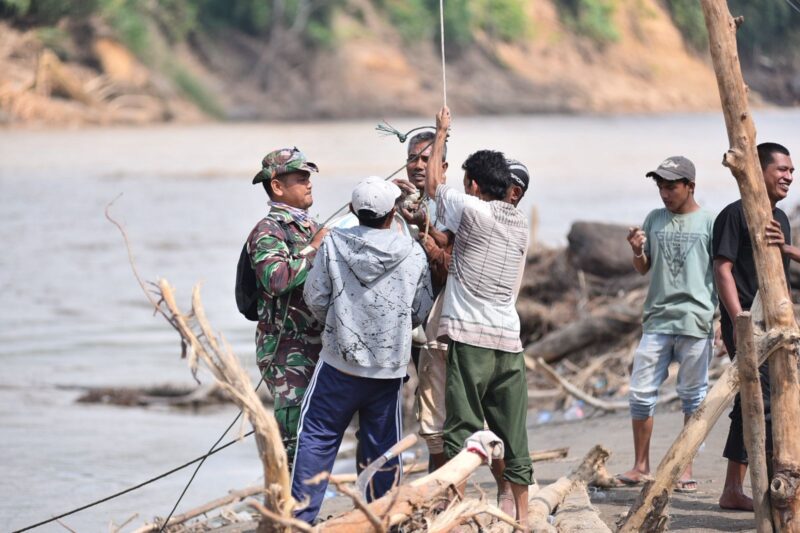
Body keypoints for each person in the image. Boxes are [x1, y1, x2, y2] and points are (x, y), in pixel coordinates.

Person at [291, 177, 433, 524]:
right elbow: (420, 309)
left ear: (353, 211)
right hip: (388, 369)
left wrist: (338, 325)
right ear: (393, 214)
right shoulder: (414, 252)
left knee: (317, 436)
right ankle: (383, 521)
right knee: (382, 448)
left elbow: (315, 297)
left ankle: (299, 521)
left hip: (338, 365)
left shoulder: (332, 243)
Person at [425, 106, 534, 527]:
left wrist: (441, 132)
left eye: (466, 182)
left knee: (462, 428)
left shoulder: (471, 209)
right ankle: (524, 519)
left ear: (472, 184)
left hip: (472, 341)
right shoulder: (519, 222)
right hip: (510, 342)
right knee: (513, 434)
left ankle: (455, 511)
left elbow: (433, 185)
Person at [616, 156, 717, 494]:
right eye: (660, 186)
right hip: (657, 320)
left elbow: (722, 272)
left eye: (671, 186)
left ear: (690, 186)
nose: (664, 193)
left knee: (693, 397)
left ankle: (684, 467)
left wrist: (721, 319)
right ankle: (640, 466)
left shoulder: (710, 222)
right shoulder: (654, 219)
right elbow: (644, 268)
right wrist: (637, 251)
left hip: (696, 320)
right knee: (640, 394)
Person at [714, 142, 797, 511]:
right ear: (759, 171)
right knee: (757, 399)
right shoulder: (734, 215)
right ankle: (751, 487)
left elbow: (781, 276)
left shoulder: (781, 220)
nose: (789, 176)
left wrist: (789, 249)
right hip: (747, 324)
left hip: (778, 325)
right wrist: (738, 321)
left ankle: (748, 486)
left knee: (774, 397)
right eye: (781, 169)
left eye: (792, 171)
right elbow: (722, 270)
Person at [246, 147, 328, 468]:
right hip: (285, 350)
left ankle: (311, 494)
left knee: (318, 430)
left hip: (319, 345)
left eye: (308, 177)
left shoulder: (311, 226)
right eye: (301, 178)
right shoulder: (267, 231)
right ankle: (290, 497)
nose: (309, 183)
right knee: (294, 438)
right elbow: (276, 279)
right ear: (277, 186)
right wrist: (316, 248)